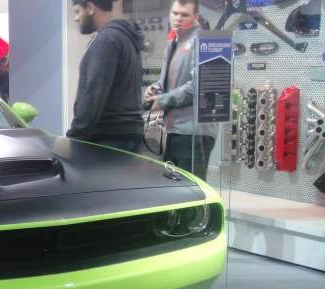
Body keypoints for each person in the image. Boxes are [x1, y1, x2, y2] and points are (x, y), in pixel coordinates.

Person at [146, 0, 216, 180]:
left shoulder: (204, 42)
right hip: (174, 130)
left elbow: (198, 86)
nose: (178, 18)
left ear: (195, 17)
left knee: (190, 192)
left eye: (184, 15)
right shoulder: (173, 43)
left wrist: (163, 100)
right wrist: (155, 89)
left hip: (194, 134)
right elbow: (168, 82)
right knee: (175, 192)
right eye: (175, 13)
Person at [66, 0, 145, 153]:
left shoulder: (106, 39)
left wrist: (75, 136)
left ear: (90, 8)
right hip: (126, 135)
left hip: (109, 138)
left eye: (77, 12)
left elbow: (95, 92)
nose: (76, 18)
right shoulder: (124, 36)